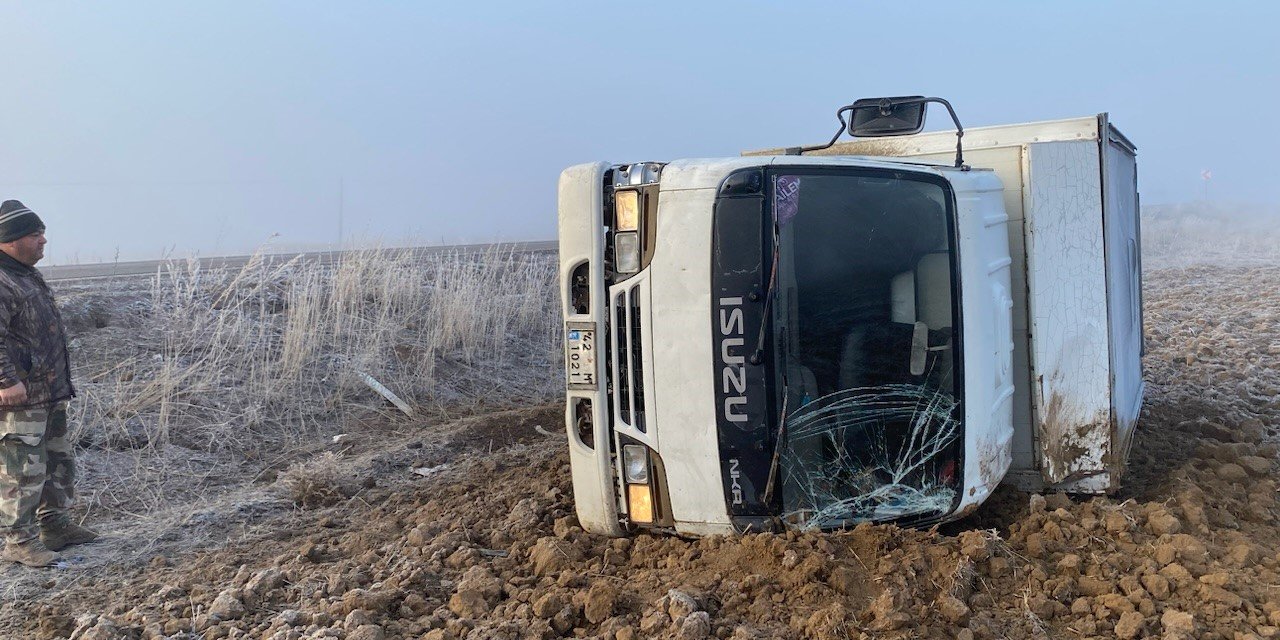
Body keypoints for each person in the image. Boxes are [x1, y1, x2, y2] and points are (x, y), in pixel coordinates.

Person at [0, 199, 96, 567]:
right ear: (10, 240)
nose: (43, 240)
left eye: (42, 233)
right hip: (19, 397)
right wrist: (6, 380)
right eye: (34, 234)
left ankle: (55, 526)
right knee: (21, 469)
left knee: (57, 459)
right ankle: (19, 542)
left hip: (48, 392)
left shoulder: (25, 274)